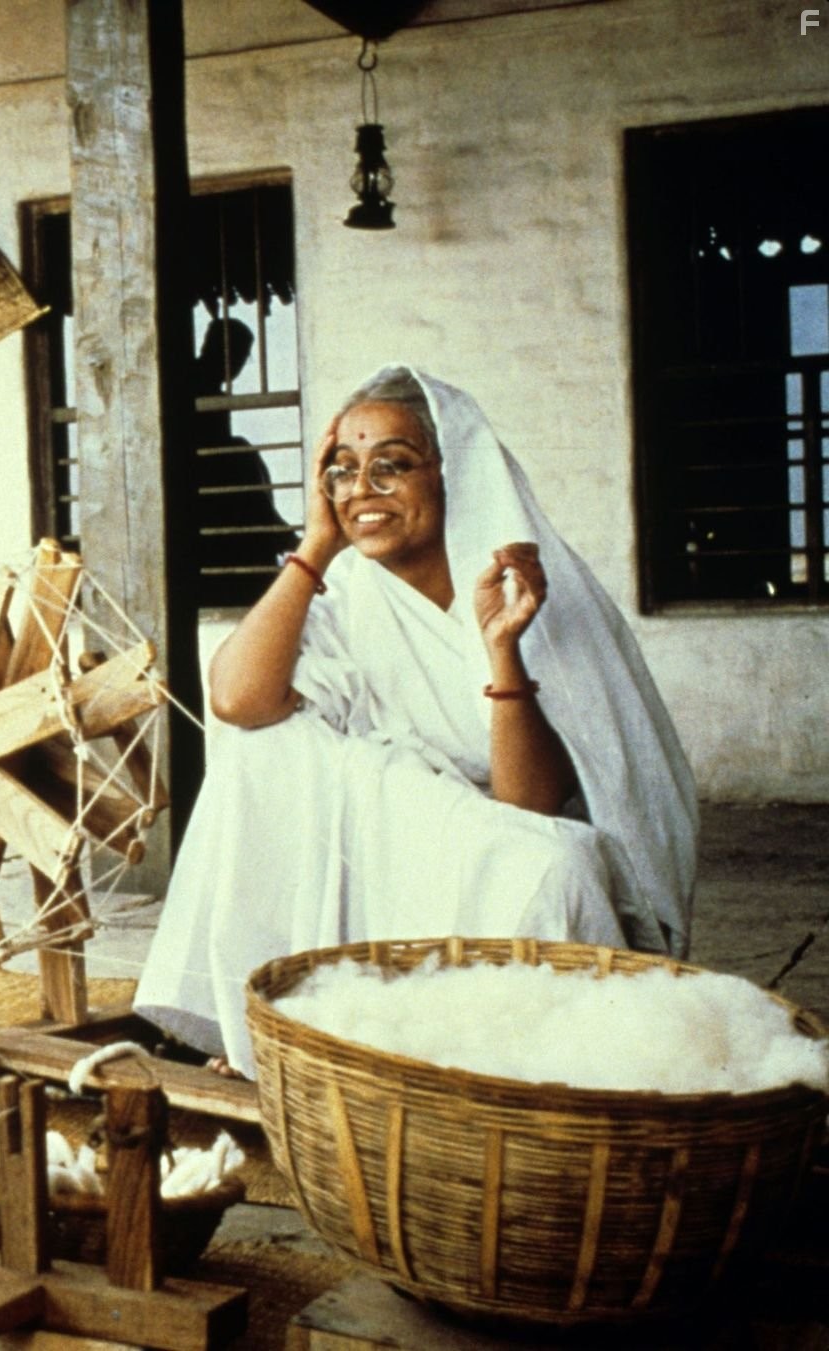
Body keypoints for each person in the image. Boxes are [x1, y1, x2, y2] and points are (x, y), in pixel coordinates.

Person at [134, 365, 698, 1077]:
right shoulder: (347, 596)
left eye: (390, 467)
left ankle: (498, 1068)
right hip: (400, 851)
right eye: (341, 470)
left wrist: (502, 646)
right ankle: (292, 1020)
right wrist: (315, 545)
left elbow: (526, 807)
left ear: (450, 474)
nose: (360, 491)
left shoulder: (523, 589)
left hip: (496, 841)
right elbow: (237, 700)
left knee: (552, 868)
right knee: (262, 747)